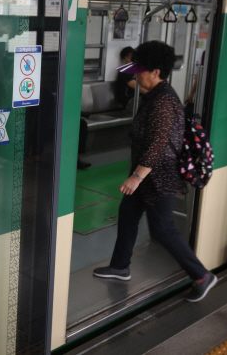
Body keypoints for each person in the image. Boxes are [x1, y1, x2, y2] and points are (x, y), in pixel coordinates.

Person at [93, 41, 217, 303]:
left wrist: (136, 177)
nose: (136, 75)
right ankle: (119, 267)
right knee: (127, 214)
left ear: (156, 72)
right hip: (148, 177)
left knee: (162, 230)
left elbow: (158, 144)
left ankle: (202, 276)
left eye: (140, 70)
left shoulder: (163, 101)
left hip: (159, 177)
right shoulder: (155, 96)